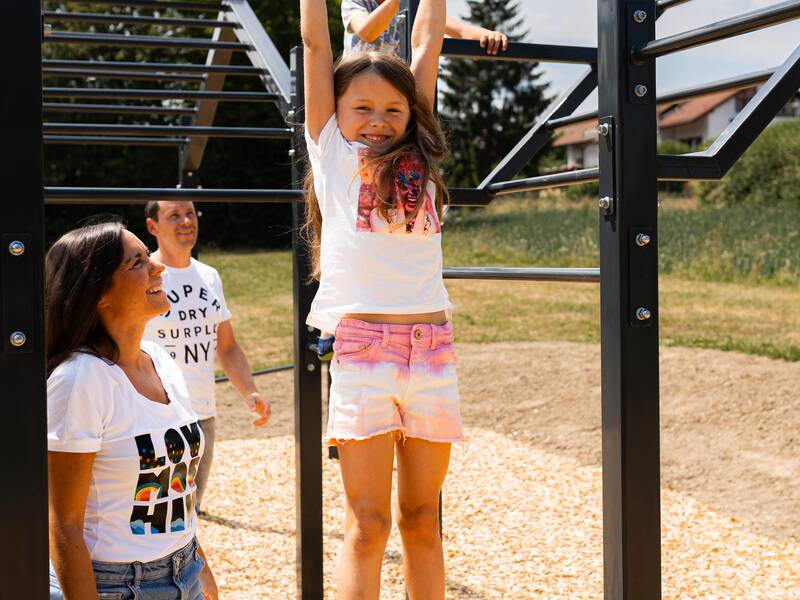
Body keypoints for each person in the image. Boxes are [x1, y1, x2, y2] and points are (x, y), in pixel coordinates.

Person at [301, 0, 461, 597]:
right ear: (335, 110)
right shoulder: (333, 152)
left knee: (423, 521)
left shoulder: (416, 146)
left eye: (392, 108)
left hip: (432, 351)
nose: (378, 119)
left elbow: (427, 43)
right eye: (361, 106)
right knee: (369, 527)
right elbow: (318, 45)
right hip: (365, 351)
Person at [46, 221, 218, 599]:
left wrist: (200, 570)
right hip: (113, 585)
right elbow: (64, 523)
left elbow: (179, 487)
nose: (158, 267)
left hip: (184, 568)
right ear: (98, 294)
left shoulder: (161, 360)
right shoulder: (80, 380)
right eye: (137, 262)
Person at [142, 200, 271, 512]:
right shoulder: (144, 275)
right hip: (159, 416)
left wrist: (249, 390)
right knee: (161, 514)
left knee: (191, 508)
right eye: (174, 215)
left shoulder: (209, 276)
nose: (186, 220)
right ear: (152, 227)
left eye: (190, 213)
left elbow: (226, 347)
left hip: (202, 414)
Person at [342, 0, 508, 57]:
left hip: (396, 94)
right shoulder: (356, 2)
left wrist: (489, 35)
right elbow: (367, 31)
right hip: (358, 89)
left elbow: (459, 30)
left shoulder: (413, 6)